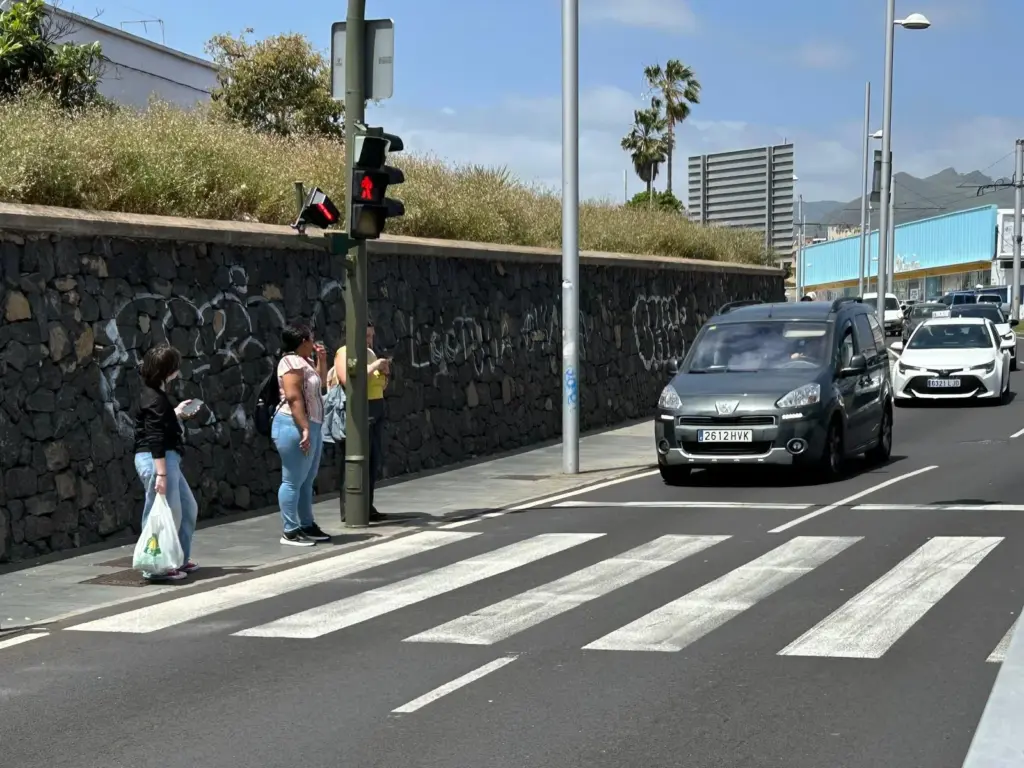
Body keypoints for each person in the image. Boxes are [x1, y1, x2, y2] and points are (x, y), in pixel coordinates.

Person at [132, 344, 202, 581]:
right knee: (166, 513)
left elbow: (158, 422)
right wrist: (161, 475)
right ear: (168, 371)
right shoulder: (154, 398)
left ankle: (177, 559)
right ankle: (157, 566)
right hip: (157, 460)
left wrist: (176, 413)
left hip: (164, 459)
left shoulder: (154, 394)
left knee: (187, 509)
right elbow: (154, 437)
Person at [272, 324, 332, 546]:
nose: (314, 343)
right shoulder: (290, 362)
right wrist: (305, 427)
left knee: (307, 480)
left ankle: (307, 524)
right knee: (292, 480)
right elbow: (293, 397)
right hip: (294, 425)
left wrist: (322, 361)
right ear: (303, 341)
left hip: (312, 424)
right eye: (311, 339)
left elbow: (320, 384)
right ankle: (290, 530)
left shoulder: (304, 361)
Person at [334, 320, 389, 522]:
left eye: (371, 336)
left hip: (376, 407)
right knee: (355, 459)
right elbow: (349, 379)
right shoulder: (345, 352)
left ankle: (367, 504)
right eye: (366, 336)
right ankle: (350, 508)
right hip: (360, 410)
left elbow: (379, 383)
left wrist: (384, 373)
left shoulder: (370, 353)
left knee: (373, 460)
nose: (369, 340)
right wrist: (374, 366)